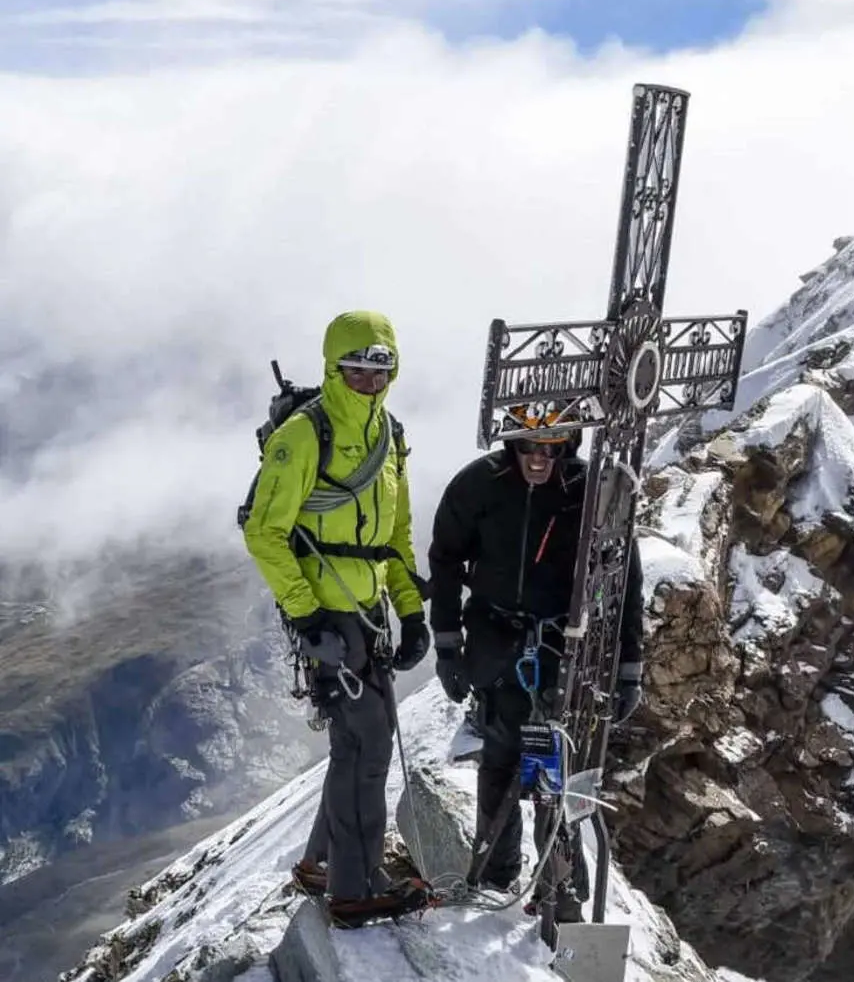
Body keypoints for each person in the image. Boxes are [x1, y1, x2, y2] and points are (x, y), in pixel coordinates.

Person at [241, 309, 433, 928]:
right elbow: (264, 531)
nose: (369, 381)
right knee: (370, 742)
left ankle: (323, 863)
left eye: (380, 370)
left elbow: (394, 535)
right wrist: (308, 618)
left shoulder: (389, 434)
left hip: (368, 610)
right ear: (334, 367)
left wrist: (410, 611)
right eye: (356, 370)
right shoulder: (304, 435)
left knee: (357, 740)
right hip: (327, 611)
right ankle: (355, 887)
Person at [427, 405, 645, 922]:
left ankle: (560, 892)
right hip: (496, 646)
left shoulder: (591, 492)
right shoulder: (479, 484)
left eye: (551, 448)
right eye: (529, 447)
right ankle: (496, 874)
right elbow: (445, 559)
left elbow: (624, 581)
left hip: (566, 652)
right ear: (513, 446)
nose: (539, 459)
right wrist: (448, 645)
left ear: (567, 445)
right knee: (500, 761)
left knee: (560, 773)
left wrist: (628, 665)